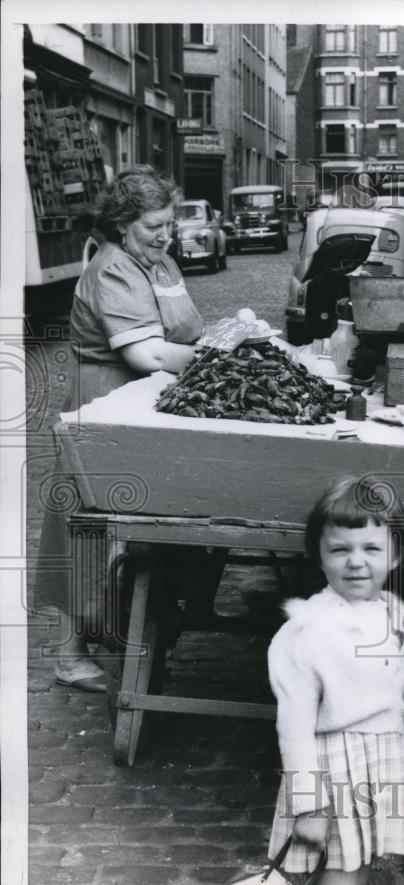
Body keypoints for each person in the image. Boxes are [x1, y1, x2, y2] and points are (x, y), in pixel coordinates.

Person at [34, 165, 206, 691]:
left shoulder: (160, 264)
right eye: (153, 225)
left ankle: (135, 635)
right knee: (82, 526)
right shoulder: (112, 269)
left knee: (133, 526)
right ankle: (69, 654)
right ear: (123, 224)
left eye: (168, 223)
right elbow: (145, 351)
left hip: (145, 406)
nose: (165, 234)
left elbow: (182, 332)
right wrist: (213, 358)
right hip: (103, 405)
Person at [266, 476, 404, 885]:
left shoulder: (387, 614)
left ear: (395, 556)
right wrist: (309, 807)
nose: (356, 561)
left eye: (372, 547)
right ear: (320, 555)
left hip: (374, 774)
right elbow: (294, 728)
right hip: (332, 781)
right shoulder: (305, 632)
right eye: (340, 549)